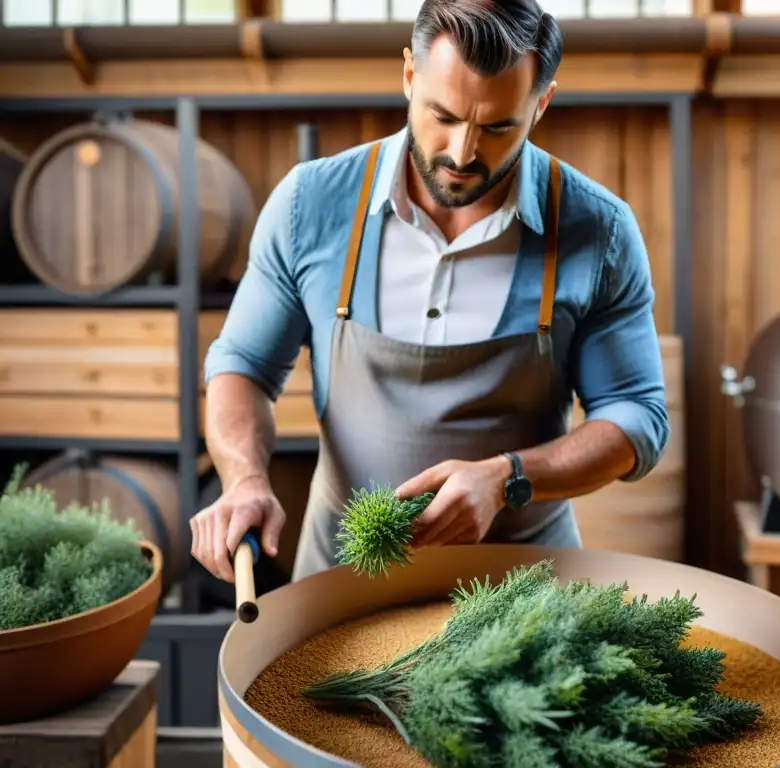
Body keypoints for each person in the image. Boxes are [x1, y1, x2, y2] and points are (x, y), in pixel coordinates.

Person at [191, 0, 670, 584]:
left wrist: (507, 477)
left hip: (526, 598)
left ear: (539, 105)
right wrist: (243, 478)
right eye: (442, 115)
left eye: (497, 127)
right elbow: (242, 365)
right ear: (409, 76)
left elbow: (636, 417)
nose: (462, 153)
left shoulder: (599, 230)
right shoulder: (308, 206)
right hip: (342, 584)